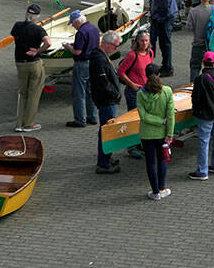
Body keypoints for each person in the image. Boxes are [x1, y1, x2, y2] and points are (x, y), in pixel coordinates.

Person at [188, 51, 214, 181]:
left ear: (203, 63)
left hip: (205, 114)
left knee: (204, 142)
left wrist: (195, 110)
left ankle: (202, 171)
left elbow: (196, 98)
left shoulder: (200, 79)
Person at [136, 63, 175, 200]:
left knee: (150, 162)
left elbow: (143, 116)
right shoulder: (167, 91)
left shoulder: (141, 93)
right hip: (162, 134)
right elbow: (170, 115)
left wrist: (157, 121)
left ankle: (155, 192)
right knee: (162, 160)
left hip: (146, 134)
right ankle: (162, 188)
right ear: (159, 74)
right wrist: (169, 133)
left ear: (145, 75)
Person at [10, 2, 50, 132]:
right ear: (37, 16)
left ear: (26, 13)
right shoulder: (38, 29)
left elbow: (14, 35)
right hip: (33, 62)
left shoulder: (17, 26)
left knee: (22, 93)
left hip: (20, 63)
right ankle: (29, 124)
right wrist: (38, 50)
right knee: (34, 93)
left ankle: (19, 123)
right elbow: (48, 42)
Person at [117, 30, 154, 158]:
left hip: (146, 91)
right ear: (137, 41)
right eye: (142, 40)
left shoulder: (150, 53)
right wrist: (131, 84)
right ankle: (131, 146)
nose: (144, 43)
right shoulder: (133, 55)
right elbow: (120, 71)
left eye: (146, 40)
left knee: (144, 119)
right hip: (134, 91)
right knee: (133, 119)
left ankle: (140, 143)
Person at [91, 30, 124, 174]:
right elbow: (103, 83)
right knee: (107, 131)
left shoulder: (102, 56)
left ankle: (107, 157)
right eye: (115, 46)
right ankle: (103, 163)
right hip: (107, 100)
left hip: (108, 99)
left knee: (107, 130)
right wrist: (115, 94)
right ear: (106, 44)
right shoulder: (99, 59)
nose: (116, 49)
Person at [63, 10, 100, 127]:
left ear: (77, 22)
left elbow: (77, 51)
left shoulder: (81, 32)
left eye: (72, 24)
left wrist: (68, 47)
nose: (73, 26)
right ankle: (93, 117)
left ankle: (80, 120)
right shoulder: (94, 29)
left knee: (79, 93)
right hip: (93, 62)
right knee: (90, 91)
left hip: (82, 64)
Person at [146, 0, 178, 77]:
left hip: (163, 19)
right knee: (164, 43)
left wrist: (158, 17)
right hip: (165, 18)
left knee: (164, 43)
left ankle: (167, 67)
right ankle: (165, 66)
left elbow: (164, 5)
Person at [185, 0, 214, 80]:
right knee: (212, 66)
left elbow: (189, 28)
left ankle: (193, 85)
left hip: (197, 43)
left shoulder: (193, 11)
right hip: (211, 44)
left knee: (195, 66)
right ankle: (211, 83)